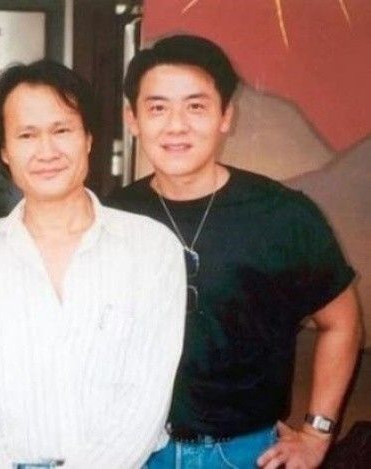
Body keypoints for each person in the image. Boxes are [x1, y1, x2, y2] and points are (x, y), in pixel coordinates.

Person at [108, 34, 363, 468]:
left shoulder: (281, 214)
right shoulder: (111, 218)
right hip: (132, 451)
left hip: (247, 452)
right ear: (132, 118)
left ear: (226, 115)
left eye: (196, 106)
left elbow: (342, 323)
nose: (176, 125)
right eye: (157, 108)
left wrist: (316, 434)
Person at [0, 59, 186, 469]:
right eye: (27, 135)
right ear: (5, 151)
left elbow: (146, 398)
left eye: (62, 130)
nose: (47, 151)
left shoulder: (151, 249)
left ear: (88, 138)